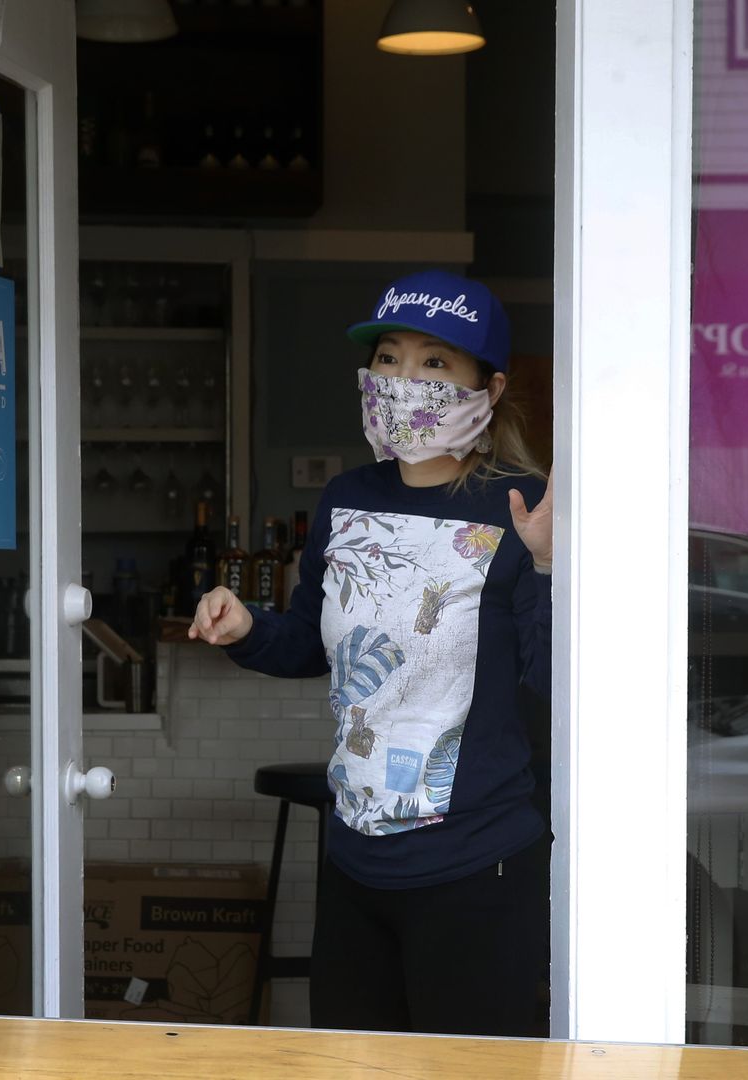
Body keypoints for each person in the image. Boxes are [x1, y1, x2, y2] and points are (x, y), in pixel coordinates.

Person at [189, 269, 554, 1037]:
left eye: (433, 364)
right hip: (356, 857)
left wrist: (551, 569)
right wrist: (245, 628)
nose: (402, 380)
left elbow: (557, 679)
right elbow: (311, 645)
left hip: (475, 866)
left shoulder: (523, 506)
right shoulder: (347, 499)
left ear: (487, 388)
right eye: (388, 358)